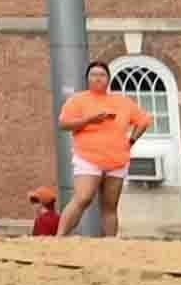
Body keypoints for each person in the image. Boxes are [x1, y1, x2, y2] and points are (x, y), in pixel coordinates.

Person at [52, 74, 138, 237]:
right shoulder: (77, 100)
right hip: (88, 158)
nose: (98, 78)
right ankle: (60, 236)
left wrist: (131, 140)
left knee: (110, 206)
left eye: (102, 75)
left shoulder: (122, 101)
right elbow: (64, 124)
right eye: (94, 75)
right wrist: (89, 120)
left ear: (108, 79)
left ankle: (110, 241)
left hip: (117, 160)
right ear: (87, 79)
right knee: (83, 198)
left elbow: (144, 121)